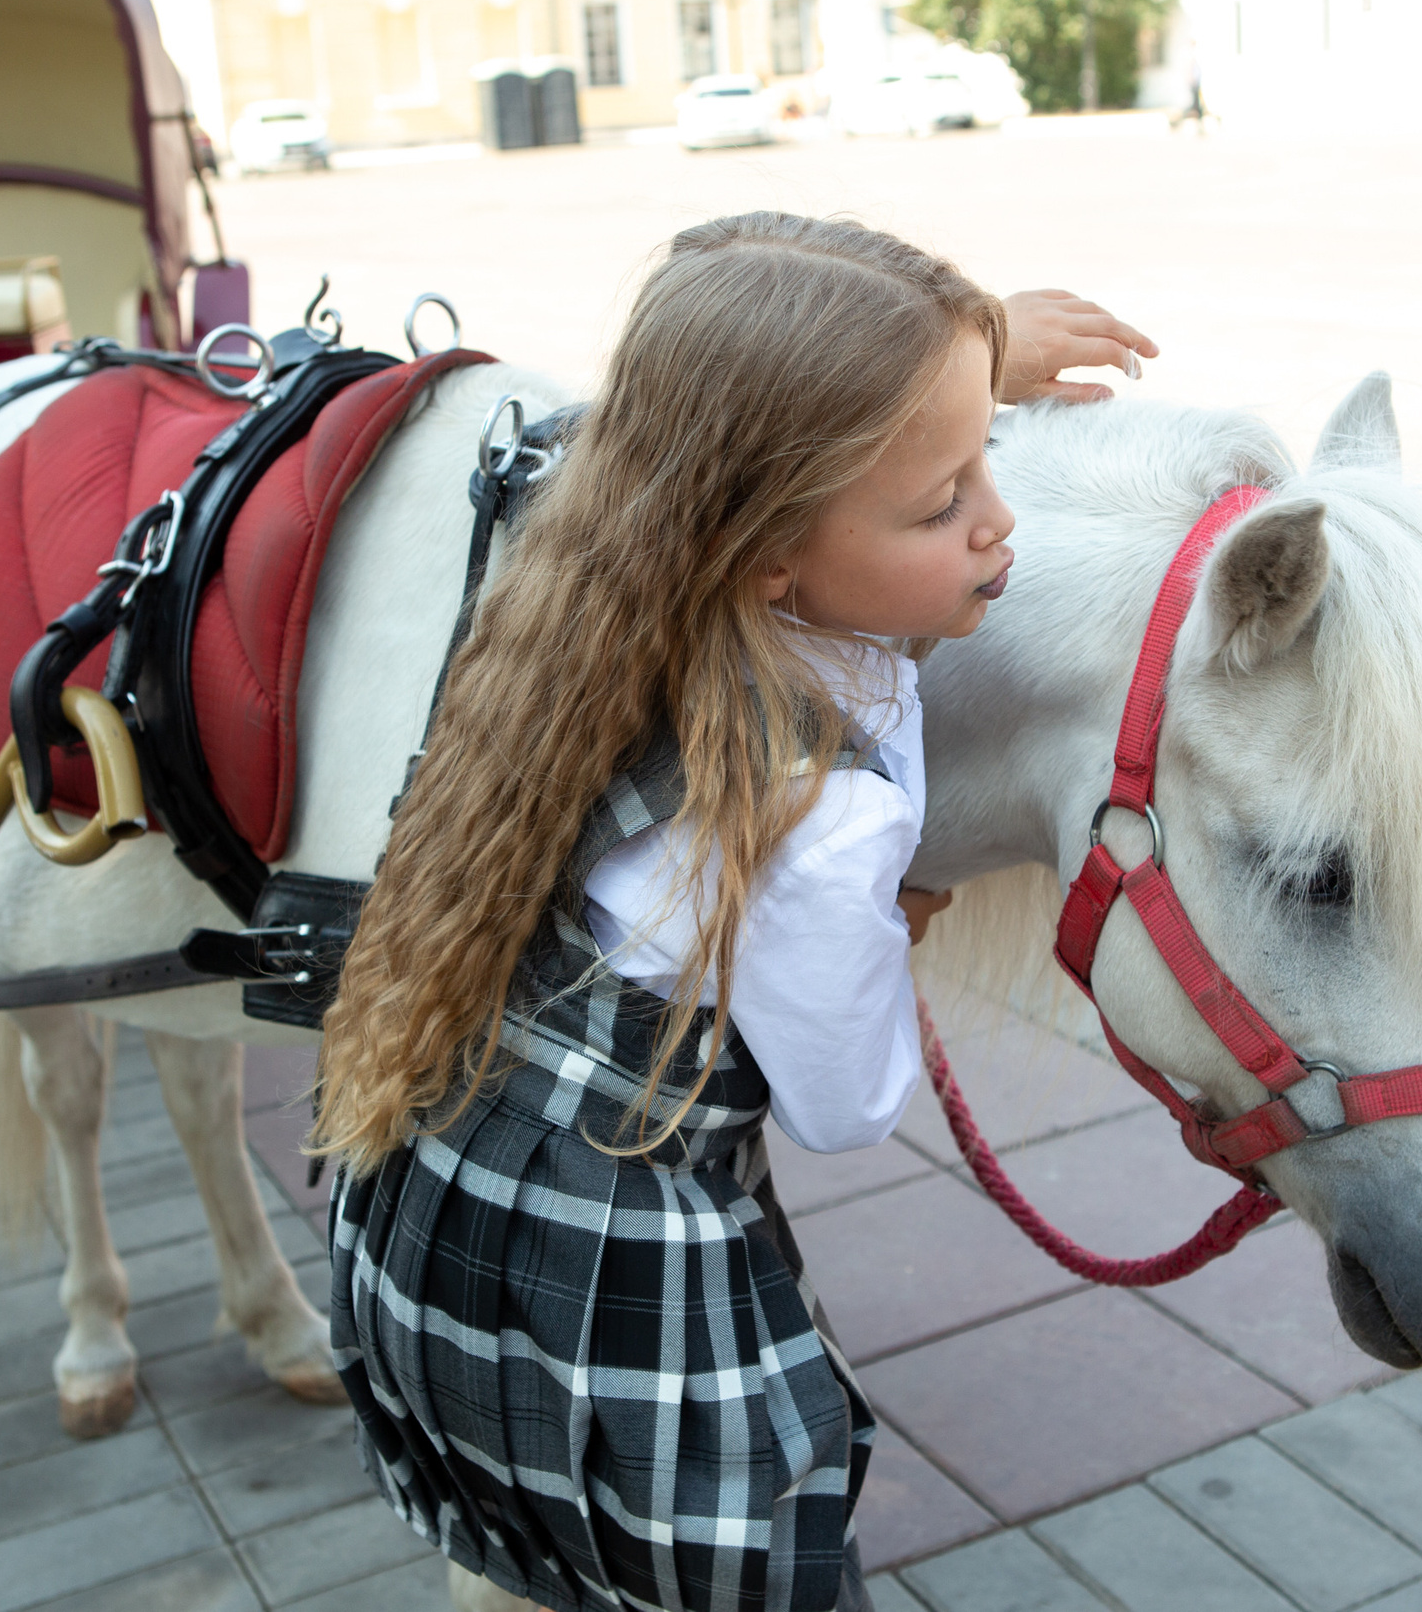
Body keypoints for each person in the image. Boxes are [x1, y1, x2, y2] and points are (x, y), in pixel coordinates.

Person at [311, 213, 1155, 1612]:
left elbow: (704, 373)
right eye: (942, 500)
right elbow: (846, 1099)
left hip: (437, 1217)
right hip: (610, 1274)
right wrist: (885, 925)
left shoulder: (595, 588)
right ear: (768, 551)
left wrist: (974, 351)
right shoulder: (817, 816)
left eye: (987, 455)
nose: (1000, 520)